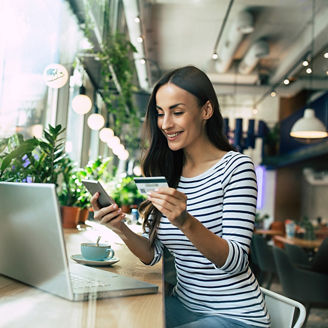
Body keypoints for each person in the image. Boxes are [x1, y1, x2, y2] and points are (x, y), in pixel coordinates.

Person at [91, 66, 270, 328]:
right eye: (161, 114)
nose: (165, 124)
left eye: (177, 112)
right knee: (114, 316)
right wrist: (120, 229)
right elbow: (153, 255)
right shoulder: (169, 172)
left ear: (206, 111)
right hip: (184, 305)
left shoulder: (237, 168)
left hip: (235, 316)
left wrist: (186, 221)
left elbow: (235, 261)